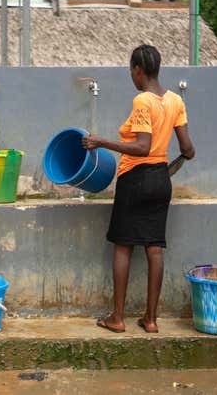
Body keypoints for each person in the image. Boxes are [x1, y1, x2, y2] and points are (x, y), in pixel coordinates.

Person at [83, 45, 195, 334]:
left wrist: (102, 142)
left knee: (123, 245)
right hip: (161, 179)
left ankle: (117, 318)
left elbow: (142, 147)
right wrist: (184, 152)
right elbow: (187, 148)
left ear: (138, 70)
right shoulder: (174, 102)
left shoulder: (142, 101)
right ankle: (151, 319)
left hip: (135, 178)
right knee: (154, 247)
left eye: (131, 71)